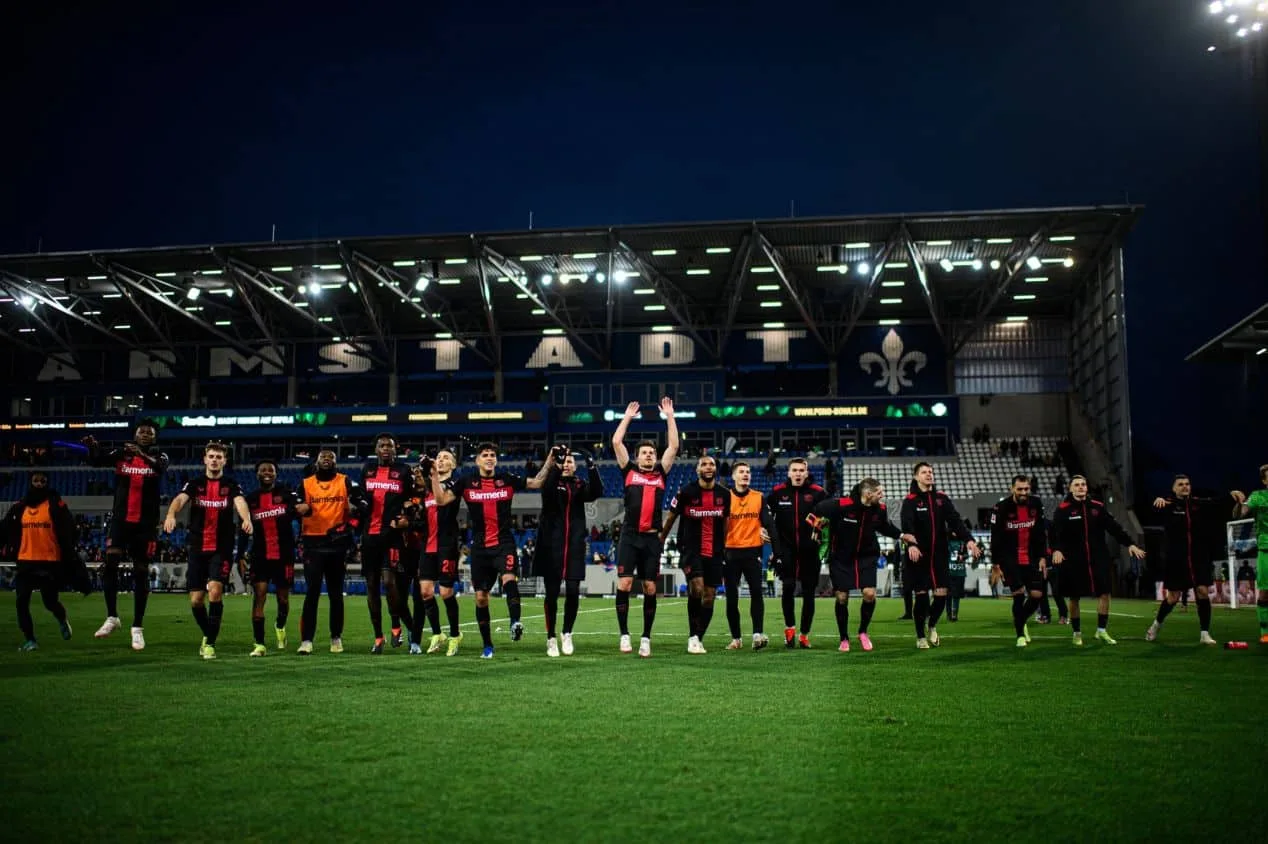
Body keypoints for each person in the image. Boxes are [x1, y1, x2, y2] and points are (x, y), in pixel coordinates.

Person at [432, 442, 552, 659]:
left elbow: (537, 482)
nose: (489, 458)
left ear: (496, 459)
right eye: (485, 455)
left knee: (509, 579)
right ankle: (487, 646)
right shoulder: (467, 482)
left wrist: (550, 461)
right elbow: (440, 500)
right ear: (477, 460)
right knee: (481, 598)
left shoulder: (507, 479)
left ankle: (515, 621)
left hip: (503, 543)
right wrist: (433, 474)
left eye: (493, 455)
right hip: (479, 549)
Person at [83, 419, 169, 651]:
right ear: (135, 433)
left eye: (149, 433)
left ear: (154, 438)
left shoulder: (160, 456)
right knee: (110, 564)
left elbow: (160, 468)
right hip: (121, 521)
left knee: (141, 571)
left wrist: (140, 452)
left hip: (145, 524)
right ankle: (112, 617)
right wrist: (93, 447)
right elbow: (95, 461)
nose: (144, 435)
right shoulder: (122, 454)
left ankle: (137, 628)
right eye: (141, 432)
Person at [163, 442, 252, 660]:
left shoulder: (231, 485)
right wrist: (171, 514)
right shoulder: (194, 484)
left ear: (224, 461)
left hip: (220, 548)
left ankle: (210, 644)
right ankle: (208, 634)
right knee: (195, 600)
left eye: (218, 457)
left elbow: (240, 502)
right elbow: (179, 500)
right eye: (211, 456)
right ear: (204, 459)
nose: (214, 460)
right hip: (197, 547)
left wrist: (246, 518)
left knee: (215, 591)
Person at [809, 478, 915, 652]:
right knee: (842, 597)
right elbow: (817, 509)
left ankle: (863, 632)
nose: (883, 496)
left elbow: (884, 527)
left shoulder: (880, 509)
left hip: (867, 557)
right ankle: (844, 638)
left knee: (870, 594)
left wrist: (902, 535)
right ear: (868, 494)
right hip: (841, 558)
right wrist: (815, 526)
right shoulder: (841, 505)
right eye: (879, 493)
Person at [610, 398, 680, 658]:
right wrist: (627, 417)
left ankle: (646, 638)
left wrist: (670, 416)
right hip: (629, 538)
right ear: (637, 457)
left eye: (652, 452)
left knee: (650, 588)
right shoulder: (628, 470)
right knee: (625, 583)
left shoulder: (661, 473)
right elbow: (617, 442)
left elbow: (674, 445)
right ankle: (624, 634)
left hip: (652, 539)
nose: (649, 455)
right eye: (645, 453)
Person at [1049, 475, 1145, 646]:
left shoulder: (1098, 508)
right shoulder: (1063, 509)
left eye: (1083, 484)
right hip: (1073, 560)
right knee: (1074, 597)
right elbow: (1054, 533)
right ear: (1071, 489)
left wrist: (1130, 544)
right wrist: (1056, 549)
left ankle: (1101, 630)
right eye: (1077, 485)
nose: (1081, 487)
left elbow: (1114, 528)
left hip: (1098, 558)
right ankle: (1077, 633)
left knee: (1105, 593)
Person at [1146, 475, 1235, 645]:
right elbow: (1150, 509)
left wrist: (1232, 494)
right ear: (1174, 489)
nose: (1185, 487)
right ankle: (1156, 625)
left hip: (1198, 557)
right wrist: (1156, 500)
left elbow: (1217, 502)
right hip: (1176, 559)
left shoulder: (1198, 504)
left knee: (1202, 591)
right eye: (1180, 485)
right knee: (1173, 597)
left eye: (1187, 484)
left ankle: (1204, 633)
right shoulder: (1167, 505)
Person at [1, 472, 86, 650]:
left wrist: (69, 553)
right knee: (21, 601)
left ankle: (62, 619)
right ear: (30, 482)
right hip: (25, 561)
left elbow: (70, 530)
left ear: (47, 483)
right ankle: (30, 640)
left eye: (43, 481)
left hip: (49, 562)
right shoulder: (19, 508)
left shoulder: (56, 505)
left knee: (50, 602)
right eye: (36, 481)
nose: (39, 484)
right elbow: (5, 529)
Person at [901, 463, 980, 648]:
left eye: (930, 472)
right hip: (918, 556)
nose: (929, 474)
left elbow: (955, 521)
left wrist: (968, 540)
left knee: (941, 595)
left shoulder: (942, 499)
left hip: (939, 556)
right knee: (921, 597)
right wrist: (911, 544)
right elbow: (907, 525)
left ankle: (932, 625)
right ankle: (920, 636)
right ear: (916, 477)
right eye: (924, 472)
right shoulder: (910, 500)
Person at [537, 447, 603, 657]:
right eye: (564, 461)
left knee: (573, 592)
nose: (567, 464)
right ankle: (551, 637)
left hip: (574, 547)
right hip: (552, 547)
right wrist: (555, 464)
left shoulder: (579, 485)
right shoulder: (550, 483)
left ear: (575, 466)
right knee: (552, 595)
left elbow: (596, 493)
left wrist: (591, 465)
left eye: (570, 462)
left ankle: (567, 633)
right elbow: (546, 493)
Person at [236, 459, 306, 657]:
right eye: (263, 469)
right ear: (257, 474)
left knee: (283, 599)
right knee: (260, 596)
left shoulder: (287, 494)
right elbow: (243, 530)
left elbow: (301, 513)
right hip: (260, 555)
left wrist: (303, 510)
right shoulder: (250, 500)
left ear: (276, 474)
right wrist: (240, 554)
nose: (267, 472)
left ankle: (280, 625)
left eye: (271, 470)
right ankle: (259, 644)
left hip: (284, 555)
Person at [295, 448, 362, 654]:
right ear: (316, 461)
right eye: (323, 456)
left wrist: (352, 516)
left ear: (335, 462)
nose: (326, 459)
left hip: (337, 544)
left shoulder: (345, 481)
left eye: (330, 457)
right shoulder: (306, 483)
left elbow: (360, 508)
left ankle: (336, 638)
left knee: (335, 594)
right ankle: (307, 640)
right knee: (312, 592)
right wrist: (300, 509)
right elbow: (295, 507)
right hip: (312, 543)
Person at [660, 455, 728, 654]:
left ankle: (699, 637)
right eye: (704, 464)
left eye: (711, 464)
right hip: (691, 549)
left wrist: (725, 545)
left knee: (709, 596)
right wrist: (661, 539)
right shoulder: (686, 492)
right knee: (697, 588)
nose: (708, 467)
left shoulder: (724, 494)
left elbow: (726, 522)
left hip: (715, 551)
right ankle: (692, 636)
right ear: (697, 470)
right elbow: (671, 516)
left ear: (716, 469)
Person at [359, 433, 416, 654]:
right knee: (371, 586)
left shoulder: (403, 471)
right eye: (381, 445)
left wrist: (407, 519)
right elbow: (362, 498)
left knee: (390, 583)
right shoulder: (367, 469)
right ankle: (378, 637)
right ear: (376, 449)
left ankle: (401, 627)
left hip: (391, 536)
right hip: (369, 537)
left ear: (395, 449)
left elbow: (412, 499)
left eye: (389, 446)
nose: (385, 449)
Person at [767, 458, 828, 648]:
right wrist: (762, 530)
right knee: (788, 586)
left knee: (809, 593)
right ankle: (790, 629)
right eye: (795, 470)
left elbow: (829, 517)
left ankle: (804, 634)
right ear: (788, 472)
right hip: (786, 550)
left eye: (802, 470)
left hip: (810, 550)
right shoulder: (777, 493)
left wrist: (821, 528)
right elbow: (765, 516)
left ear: (807, 472)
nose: (798, 473)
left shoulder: (818, 493)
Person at [721, 461, 780, 650]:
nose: (745, 474)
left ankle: (757, 634)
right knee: (731, 597)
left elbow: (769, 524)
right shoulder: (725, 497)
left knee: (756, 592)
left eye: (748, 472)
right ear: (733, 476)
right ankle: (736, 638)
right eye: (741, 472)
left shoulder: (758, 497)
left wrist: (777, 551)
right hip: (730, 552)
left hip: (753, 552)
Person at [990, 475, 1049, 648]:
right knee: (1018, 595)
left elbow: (1039, 532)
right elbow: (996, 538)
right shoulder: (1001, 508)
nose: (1024, 492)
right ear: (1012, 489)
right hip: (1010, 558)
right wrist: (996, 564)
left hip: (1030, 557)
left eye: (1026, 489)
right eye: (1020, 489)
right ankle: (1020, 635)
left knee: (1037, 595)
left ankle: (1020, 620)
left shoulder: (1036, 504)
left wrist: (1043, 557)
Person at [416, 448, 463, 656]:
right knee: (425, 591)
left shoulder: (455, 484)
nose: (441, 460)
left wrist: (432, 475)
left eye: (446, 458)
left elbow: (441, 497)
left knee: (445, 593)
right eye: (439, 457)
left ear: (453, 465)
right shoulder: (426, 487)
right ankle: (437, 633)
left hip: (447, 544)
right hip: (428, 544)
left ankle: (455, 635)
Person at [1232, 464, 1268, 644]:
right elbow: (1241, 513)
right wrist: (1240, 502)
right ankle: (1265, 632)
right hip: (1266, 550)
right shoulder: (1258, 496)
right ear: (1264, 481)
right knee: (1265, 593)